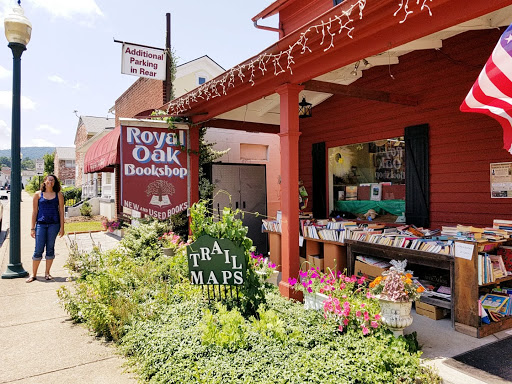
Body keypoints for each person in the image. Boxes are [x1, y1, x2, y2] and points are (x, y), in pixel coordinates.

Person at [26, 174, 65, 283]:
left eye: (53, 180)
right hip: (41, 225)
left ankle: (47, 273)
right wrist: (32, 228)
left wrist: (62, 227)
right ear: (45, 181)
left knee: (50, 248)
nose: (50, 182)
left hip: (54, 224)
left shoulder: (59, 195)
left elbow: (61, 212)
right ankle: (33, 274)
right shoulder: (38, 195)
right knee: (38, 249)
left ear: (55, 183)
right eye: (49, 180)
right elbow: (34, 212)